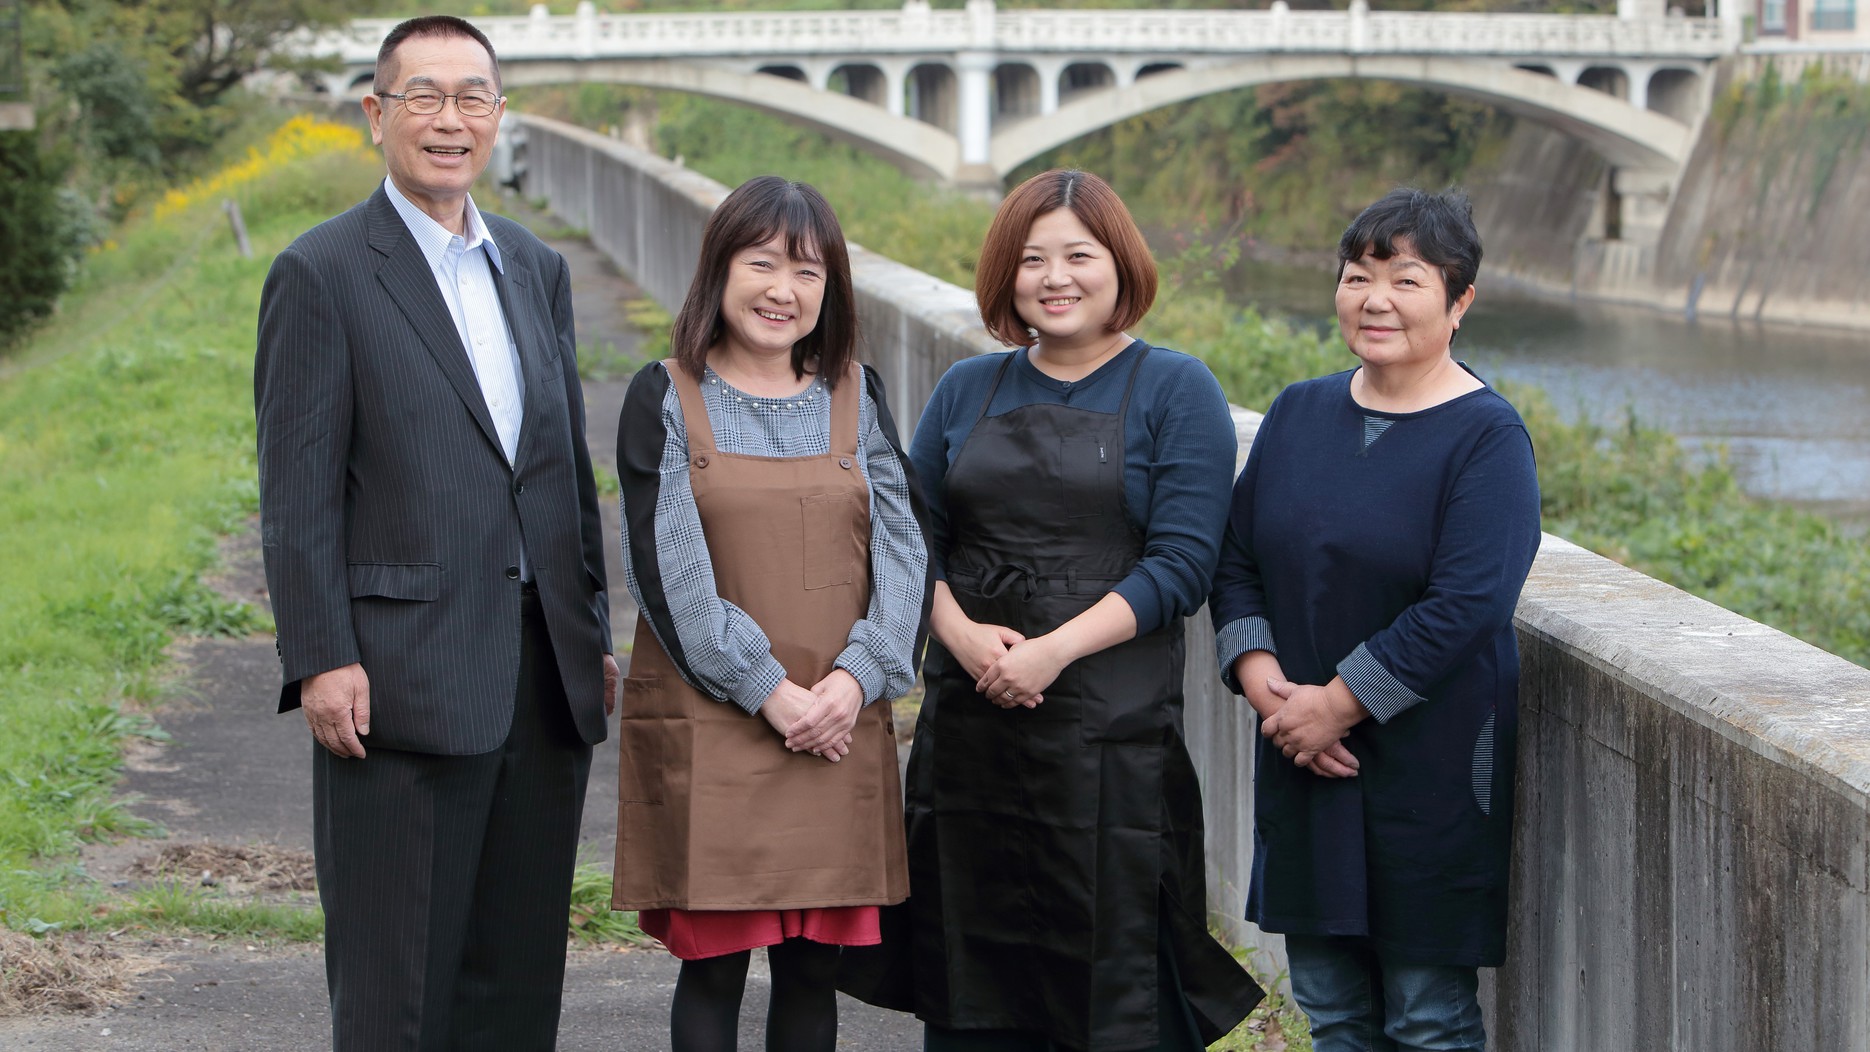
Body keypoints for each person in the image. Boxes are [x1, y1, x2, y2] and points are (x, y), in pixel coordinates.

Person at [253, 16, 618, 1049]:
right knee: (395, 989)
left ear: (499, 118)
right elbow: (297, 489)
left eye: (473, 97)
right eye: (424, 95)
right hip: (397, 679)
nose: (450, 120)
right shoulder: (320, 272)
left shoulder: (535, 268)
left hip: (541, 679)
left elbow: (556, 469)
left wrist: (587, 627)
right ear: (376, 115)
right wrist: (321, 653)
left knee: (514, 981)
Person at [888, 168, 1264, 1051]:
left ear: (1119, 264)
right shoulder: (966, 389)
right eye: (1030, 260)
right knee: (969, 982)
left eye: (1077, 256)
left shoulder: (1176, 388)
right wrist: (964, 637)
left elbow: (1182, 565)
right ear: (1004, 277)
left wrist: (1050, 653)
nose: (1054, 278)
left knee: (1113, 985)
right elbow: (909, 541)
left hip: (1110, 739)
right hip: (970, 732)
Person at [1208, 188, 1541, 1052]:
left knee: (1427, 1016)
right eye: (1358, 276)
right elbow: (1237, 557)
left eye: (1407, 279)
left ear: (1459, 301)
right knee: (1332, 1009)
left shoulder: (1487, 436)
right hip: (1301, 755)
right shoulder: (1299, 412)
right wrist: (1263, 682)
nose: (1376, 299)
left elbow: (1469, 602)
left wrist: (1339, 703)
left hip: (1430, 765)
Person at [611, 174, 929, 1052]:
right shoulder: (665, 395)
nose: (782, 291)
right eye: (761, 264)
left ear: (832, 290)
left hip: (838, 720)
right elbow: (668, 571)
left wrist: (853, 682)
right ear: (719, 271)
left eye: (808, 271)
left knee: (812, 972)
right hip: (719, 720)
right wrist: (774, 694)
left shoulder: (857, 395)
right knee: (711, 967)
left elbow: (905, 553)